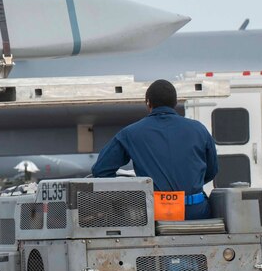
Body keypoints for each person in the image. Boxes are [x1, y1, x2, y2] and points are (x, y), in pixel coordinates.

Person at [92, 79, 219, 220]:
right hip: (195, 212)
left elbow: (101, 170)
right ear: (175, 103)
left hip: (153, 213)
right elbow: (212, 171)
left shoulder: (131, 133)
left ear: (148, 103)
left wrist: (131, 194)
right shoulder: (199, 129)